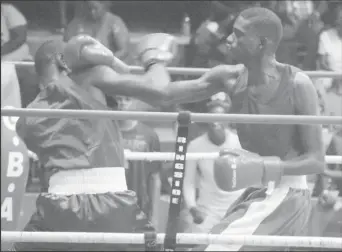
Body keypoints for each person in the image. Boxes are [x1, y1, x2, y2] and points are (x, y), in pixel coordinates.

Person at [160, 7, 324, 251]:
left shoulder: (297, 84)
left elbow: (316, 161)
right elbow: (163, 94)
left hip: (285, 194)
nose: (229, 39)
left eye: (238, 34)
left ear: (261, 43)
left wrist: (263, 167)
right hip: (258, 191)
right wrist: (151, 63)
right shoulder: (230, 79)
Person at [13, 33, 176, 251]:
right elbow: (161, 91)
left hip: (63, 204)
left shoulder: (28, 118)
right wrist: (153, 59)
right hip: (116, 204)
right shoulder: (92, 81)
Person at [180, 101, 243, 234]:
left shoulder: (240, 143)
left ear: (227, 119)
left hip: (237, 207)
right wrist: (192, 207)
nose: (216, 121)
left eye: (220, 117)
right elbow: (188, 181)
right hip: (207, 210)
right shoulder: (195, 146)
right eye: (212, 116)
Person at [117, 95, 162, 228]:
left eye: (127, 99)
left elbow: (155, 177)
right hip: (112, 204)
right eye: (118, 99)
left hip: (140, 206)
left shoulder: (149, 135)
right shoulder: (105, 131)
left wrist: (155, 217)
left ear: (136, 102)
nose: (122, 104)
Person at [64, 1, 130, 62]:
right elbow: (65, 47)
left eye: (96, 8)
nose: (92, 12)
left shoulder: (114, 22)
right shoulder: (76, 23)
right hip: (81, 67)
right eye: (89, 9)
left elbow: (124, 50)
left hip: (108, 67)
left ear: (105, 6)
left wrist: (107, 61)